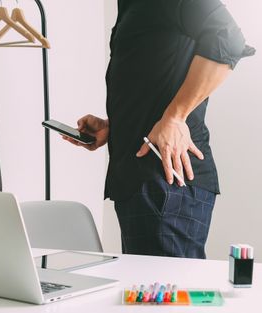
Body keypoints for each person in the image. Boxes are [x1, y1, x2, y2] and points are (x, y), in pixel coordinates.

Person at [64, 0, 255, 258]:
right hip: (143, 180)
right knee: (149, 294)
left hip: (165, 179)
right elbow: (154, 77)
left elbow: (229, 40)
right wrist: (115, 126)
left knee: (167, 296)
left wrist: (176, 116)